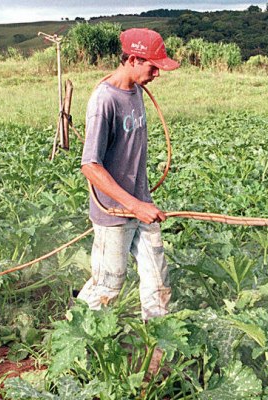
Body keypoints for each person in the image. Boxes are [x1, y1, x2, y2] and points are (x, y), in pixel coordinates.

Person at [76, 28, 180, 321]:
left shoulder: (136, 91)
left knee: (158, 280)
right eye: (152, 66)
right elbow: (90, 166)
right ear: (133, 59)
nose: (156, 74)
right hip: (115, 212)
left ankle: (158, 346)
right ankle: (76, 334)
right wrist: (135, 206)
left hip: (141, 205)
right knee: (108, 283)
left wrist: (140, 203)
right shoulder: (104, 101)